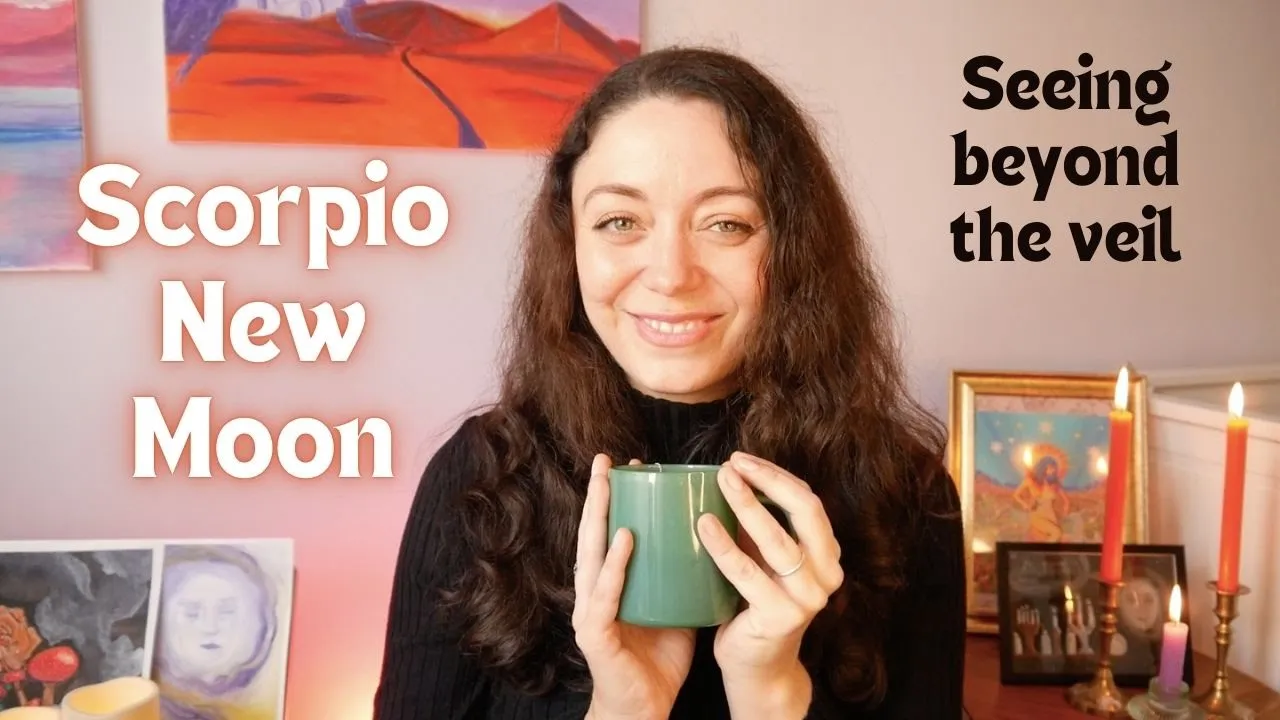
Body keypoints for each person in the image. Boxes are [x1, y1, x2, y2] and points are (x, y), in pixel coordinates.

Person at [372, 46, 966, 719]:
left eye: (726, 224)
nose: (671, 274)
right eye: (620, 222)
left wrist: (771, 694)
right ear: (572, 245)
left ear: (794, 248)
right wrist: (622, 711)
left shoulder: (905, 496)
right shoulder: (479, 478)